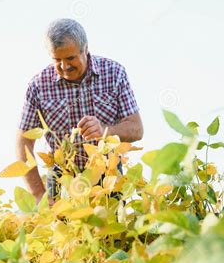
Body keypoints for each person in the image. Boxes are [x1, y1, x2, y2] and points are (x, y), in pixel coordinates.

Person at [16, 18, 143, 205]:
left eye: (70, 58)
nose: (64, 67)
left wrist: (105, 131)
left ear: (85, 49)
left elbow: (136, 129)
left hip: (107, 176)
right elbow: (23, 143)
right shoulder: (38, 86)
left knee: (110, 233)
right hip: (61, 180)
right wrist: (38, 195)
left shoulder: (114, 73)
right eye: (57, 60)